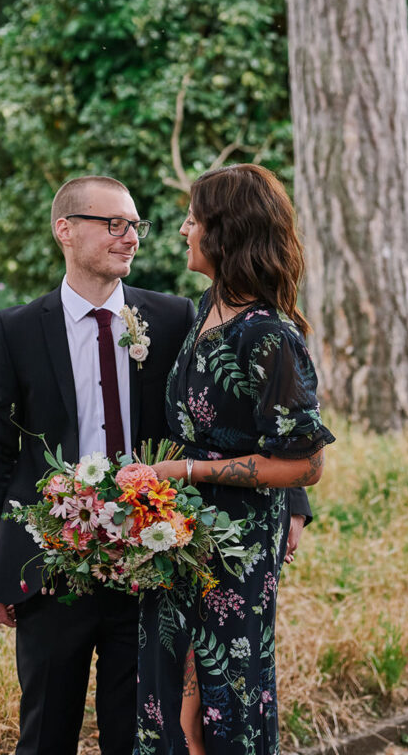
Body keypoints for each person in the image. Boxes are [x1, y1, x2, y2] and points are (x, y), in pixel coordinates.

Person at [0, 173, 314, 755]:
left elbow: (242, 421)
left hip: (156, 561)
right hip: (54, 561)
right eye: (113, 224)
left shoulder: (179, 316)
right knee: (44, 731)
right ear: (66, 230)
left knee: (142, 734)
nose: (131, 236)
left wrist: (294, 507)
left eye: (135, 225)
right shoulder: (19, 330)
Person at [133, 164, 335, 755]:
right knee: (174, 683)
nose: (182, 231)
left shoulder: (267, 335)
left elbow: (304, 464)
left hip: (236, 543)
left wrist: (188, 472)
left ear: (225, 233)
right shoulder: (203, 310)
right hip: (176, 533)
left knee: (227, 686)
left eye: (193, 220)